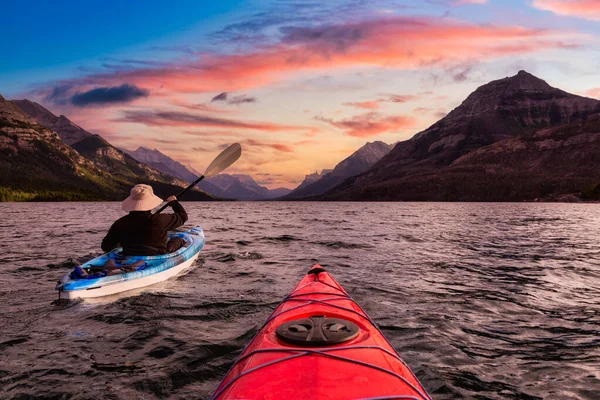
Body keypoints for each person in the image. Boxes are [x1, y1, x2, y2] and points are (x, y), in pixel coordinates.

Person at [101, 183, 188, 259]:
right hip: (157, 257)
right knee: (178, 239)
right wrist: (174, 202)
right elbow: (182, 217)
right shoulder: (159, 219)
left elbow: (106, 246)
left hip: (128, 255)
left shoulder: (120, 223)